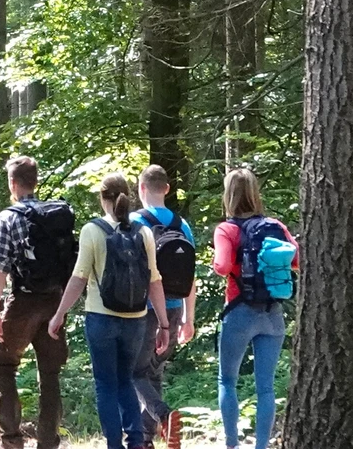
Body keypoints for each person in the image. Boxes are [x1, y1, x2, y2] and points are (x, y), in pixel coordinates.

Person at [48, 172, 169, 449]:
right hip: (136, 321)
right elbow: (154, 281)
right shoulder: (144, 232)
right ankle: (136, 441)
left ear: (103, 199)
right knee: (126, 379)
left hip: (101, 319)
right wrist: (164, 324)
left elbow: (79, 278)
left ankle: (113, 444)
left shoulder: (93, 230)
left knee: (105, 384)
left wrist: (59, 314)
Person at [0, 156, 78, 449]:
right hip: (55, 300)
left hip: (24, 301)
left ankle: (12, 442)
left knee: (4, 364)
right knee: (50, 373)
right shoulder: (54, 215)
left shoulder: (7, 217)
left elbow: (0, 267)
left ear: (13, 184)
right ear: (35, 182)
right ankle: (47, 443)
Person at [212, 168, 301, 449]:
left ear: (228, 195)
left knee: (227, 380)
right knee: (266, 387)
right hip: (272, 314)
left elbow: (223, 266)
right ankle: (261, 446)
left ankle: (232, 445)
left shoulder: (227, 229)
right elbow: (295, 259)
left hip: (239, 312)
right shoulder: (274, 225)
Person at [129, 165, 197, 449]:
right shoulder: (182, 225)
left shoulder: (134, 221)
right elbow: (191, 276)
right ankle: (146, 441)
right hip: (173, 309)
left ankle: (164, 416)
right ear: (167, 189)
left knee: (133, 372)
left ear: (141, 188)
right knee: (153, 372)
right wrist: (188, 318)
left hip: (144, 309)